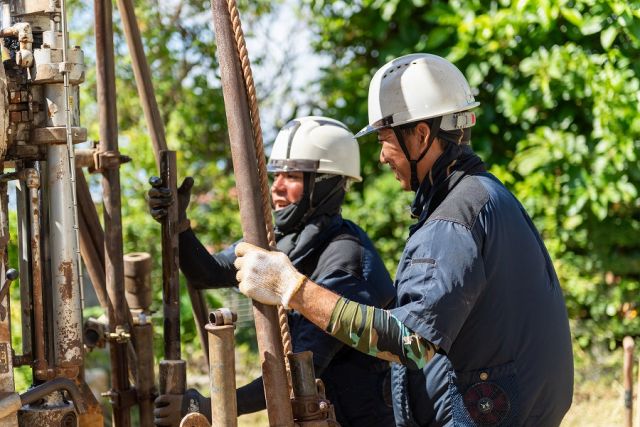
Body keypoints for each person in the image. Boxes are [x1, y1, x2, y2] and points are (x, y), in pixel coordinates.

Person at [234, 54, 574, 426]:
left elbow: (408, 342)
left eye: (385, 140)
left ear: (422, 136)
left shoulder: (453, 219)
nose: (381, 157)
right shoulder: (489, 196)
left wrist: (291, 287)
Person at [149, 116, 397, 426]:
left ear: (326, 184)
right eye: (276, 174)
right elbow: (208, 274)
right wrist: (179, 225)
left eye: (291, 176)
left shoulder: (346, 262)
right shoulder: (285, 242)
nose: (276, 187)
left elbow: (300, 371)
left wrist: (210, 405)